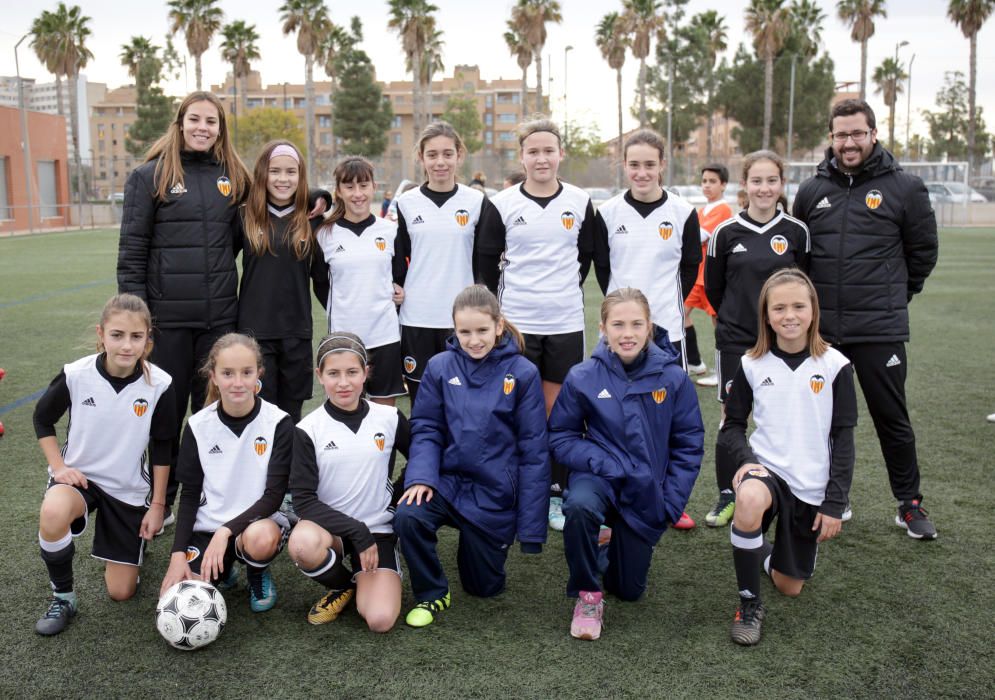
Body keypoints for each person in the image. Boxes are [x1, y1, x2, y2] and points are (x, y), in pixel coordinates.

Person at [117, 92, 328, 518]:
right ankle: (165, 498)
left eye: (211, 122)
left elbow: (277, 194)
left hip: (220, 320)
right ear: (179, 123)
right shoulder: (148, 177)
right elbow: (132, 249)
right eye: (194, 119)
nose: (202, 128)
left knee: (213, 414)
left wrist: (315, 195)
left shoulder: (232, 176)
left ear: (220, 129)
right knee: (167, 413)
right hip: (168, 318)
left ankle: (215, 494)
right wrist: (139, 319)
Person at [793, 99, 939, 539]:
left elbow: (923, 254)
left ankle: (909, 503)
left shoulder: (905, 188)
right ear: (831, 138)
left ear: (873, 133)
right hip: (824, 334)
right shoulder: (811, 191)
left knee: (891, 417)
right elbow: (800, 257)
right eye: (841, 134)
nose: (849, 142)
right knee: (825, 420)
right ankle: (831, 497)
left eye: (857, 133)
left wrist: (894, 296)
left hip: (879, 328)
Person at [549, 288, 704, 641]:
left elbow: (689, 444)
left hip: (645, 488)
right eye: (618, 324)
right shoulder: (583, 376)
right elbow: (560, 436)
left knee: (629, 590)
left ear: (650, 327)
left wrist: (671, 502)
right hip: (600, 477)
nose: (627, 333)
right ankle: (587, 595)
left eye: (636, 324)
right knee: (579, 505)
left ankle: (607, 544)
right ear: (603, 328)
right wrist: (603, 461)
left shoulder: (673, 378)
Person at [476, 117, 608, 529]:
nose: (541, 158)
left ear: (560, 153)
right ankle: (509, 488)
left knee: (558, 413)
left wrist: (558, 291)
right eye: (533, 151)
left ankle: (553, 492)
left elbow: (585, 259)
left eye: (548, 150)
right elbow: (485, 263)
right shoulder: (502, 203)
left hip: (565, 322)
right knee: (512, 410)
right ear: (522, 155)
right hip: (516, 324)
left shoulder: (580, 200)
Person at [393, 285, 549, 628]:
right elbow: (427, 429)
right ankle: (432, 593)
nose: (474, 340)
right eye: (464, 332)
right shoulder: (439, 367)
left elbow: (534, 451)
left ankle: (481, 545)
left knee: (484, 588)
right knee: (408, 515)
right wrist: (420, 477)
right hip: (448, 483)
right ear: (454, 330)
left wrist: (532, 528)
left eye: (481, 330)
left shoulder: (523, 373)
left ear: (498, 325)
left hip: (494, 492)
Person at [720, 269, 857, 645]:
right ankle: (748, 605)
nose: (789, 315)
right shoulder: (752, 363)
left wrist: (834, 502)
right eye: (779, 307)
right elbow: (731, 426)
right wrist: (747, 461)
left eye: (799, 305)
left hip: (810, 485)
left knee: (789, 585)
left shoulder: (835, 366)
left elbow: (844, 440)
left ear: (813, 310)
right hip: (768, 471)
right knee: (748, 498)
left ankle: (759, 552)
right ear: (766, 315)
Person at [32, 294, 175, 636]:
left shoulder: (160, 385)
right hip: (80, 480)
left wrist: (158, 506)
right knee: (52, 513)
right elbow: (42, 419)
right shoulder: (76, 375)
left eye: (136, 337)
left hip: (126, 489)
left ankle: (133, 553)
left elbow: (162, 447)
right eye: (117, 335)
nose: (127, 345)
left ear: (148, 339)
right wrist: (59, 467)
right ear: (101, 334)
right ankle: (63, 597)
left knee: (121, 593)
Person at [595, 128, 701, 530]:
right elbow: (602, 270)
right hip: (619, 334)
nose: (641, 172)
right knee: (614, 418)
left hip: (666, 334)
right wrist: (621, 317)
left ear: (662, 165)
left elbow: (690, 266)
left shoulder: (682, 212)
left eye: (649, 164)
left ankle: (670, 498)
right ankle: (616, 497)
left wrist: (662, 310)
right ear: (624, 166)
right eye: (634, 164)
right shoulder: (607, 213)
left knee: (668, 420)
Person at [704, 150, 810, 531]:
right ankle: (728, 494)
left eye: (771, 181)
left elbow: (806, 288)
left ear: (782, 185)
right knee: (731, 418)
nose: (764, 188)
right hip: (736, 340)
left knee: (781, 414)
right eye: (756, 181)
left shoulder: (797, 232)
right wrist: (739, 319)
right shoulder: (725, 232)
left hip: (784, 342)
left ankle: (781, 489)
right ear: (744, 185)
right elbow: (715, 290)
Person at [158, 334, 293, 612]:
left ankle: (257, 571)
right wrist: (177, 555)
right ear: (213, 377)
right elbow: (190, 495)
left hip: (256, 525)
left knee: (261, 539)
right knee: (182, 601)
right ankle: (224, 568)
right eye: (228, 373)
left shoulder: (278, 422)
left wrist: (226, 532)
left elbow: (273, 496)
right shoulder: (198, 425)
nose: (238, 382)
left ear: (259, 374)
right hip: (207, 529)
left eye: (246, 372)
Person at [288, 333, 410, 632]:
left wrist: (398, 495)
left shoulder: (390, 416)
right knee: (303, 545)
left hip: (377, 530)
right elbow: (303, 500)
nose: (343, 382)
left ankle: (366, 581)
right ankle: (342, 585)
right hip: (330, 530)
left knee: (379, 620)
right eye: (333, 373)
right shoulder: (308, 429)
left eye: (352, 372)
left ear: (366, 372)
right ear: (320, 376)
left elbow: (423, 459)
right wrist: (357, 532)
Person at [394, 122, 496, 407]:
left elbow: (484, 260)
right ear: (421, 158)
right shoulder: (406, 203)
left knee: (465, 403)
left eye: (447, 154)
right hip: (417, 317)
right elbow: (396, 261)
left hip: (464, 319)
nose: (440, 162)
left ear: (459, 155)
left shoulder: (477, 201)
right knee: (423, 404)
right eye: (432, 155)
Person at [236, 140, 327, 423]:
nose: (283, 179)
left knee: (291, 416)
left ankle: (290, 469)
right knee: (259, 415)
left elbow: (323, 280)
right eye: (275, 171)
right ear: (263, 173)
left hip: (296, 333)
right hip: (254, 333)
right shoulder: (244, 216)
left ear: (301, 177)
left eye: (291, 172)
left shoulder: (313, 221)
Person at [315, 157, 406, 407]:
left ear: (374, 187)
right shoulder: (324, 234)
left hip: (385, 335)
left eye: (364, 185)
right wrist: (344, 309)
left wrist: (399, 293)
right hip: (344, 339)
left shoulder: (389, 231)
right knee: (343, 410)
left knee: (384, 414)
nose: (357, 194)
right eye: (349, 187)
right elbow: (320, 284)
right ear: (339, 192)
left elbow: (399, 278)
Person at [685, 164, 734, 388]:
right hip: (697, 275)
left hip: (711, 276)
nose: (707, 185)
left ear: (723, 185)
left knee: (718, 324)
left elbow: (699, 236)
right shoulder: (702, 210)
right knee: (680, 314)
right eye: (704, 181)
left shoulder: (722, 209)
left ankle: (722, 370)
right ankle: (695, 362)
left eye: (712, 181)